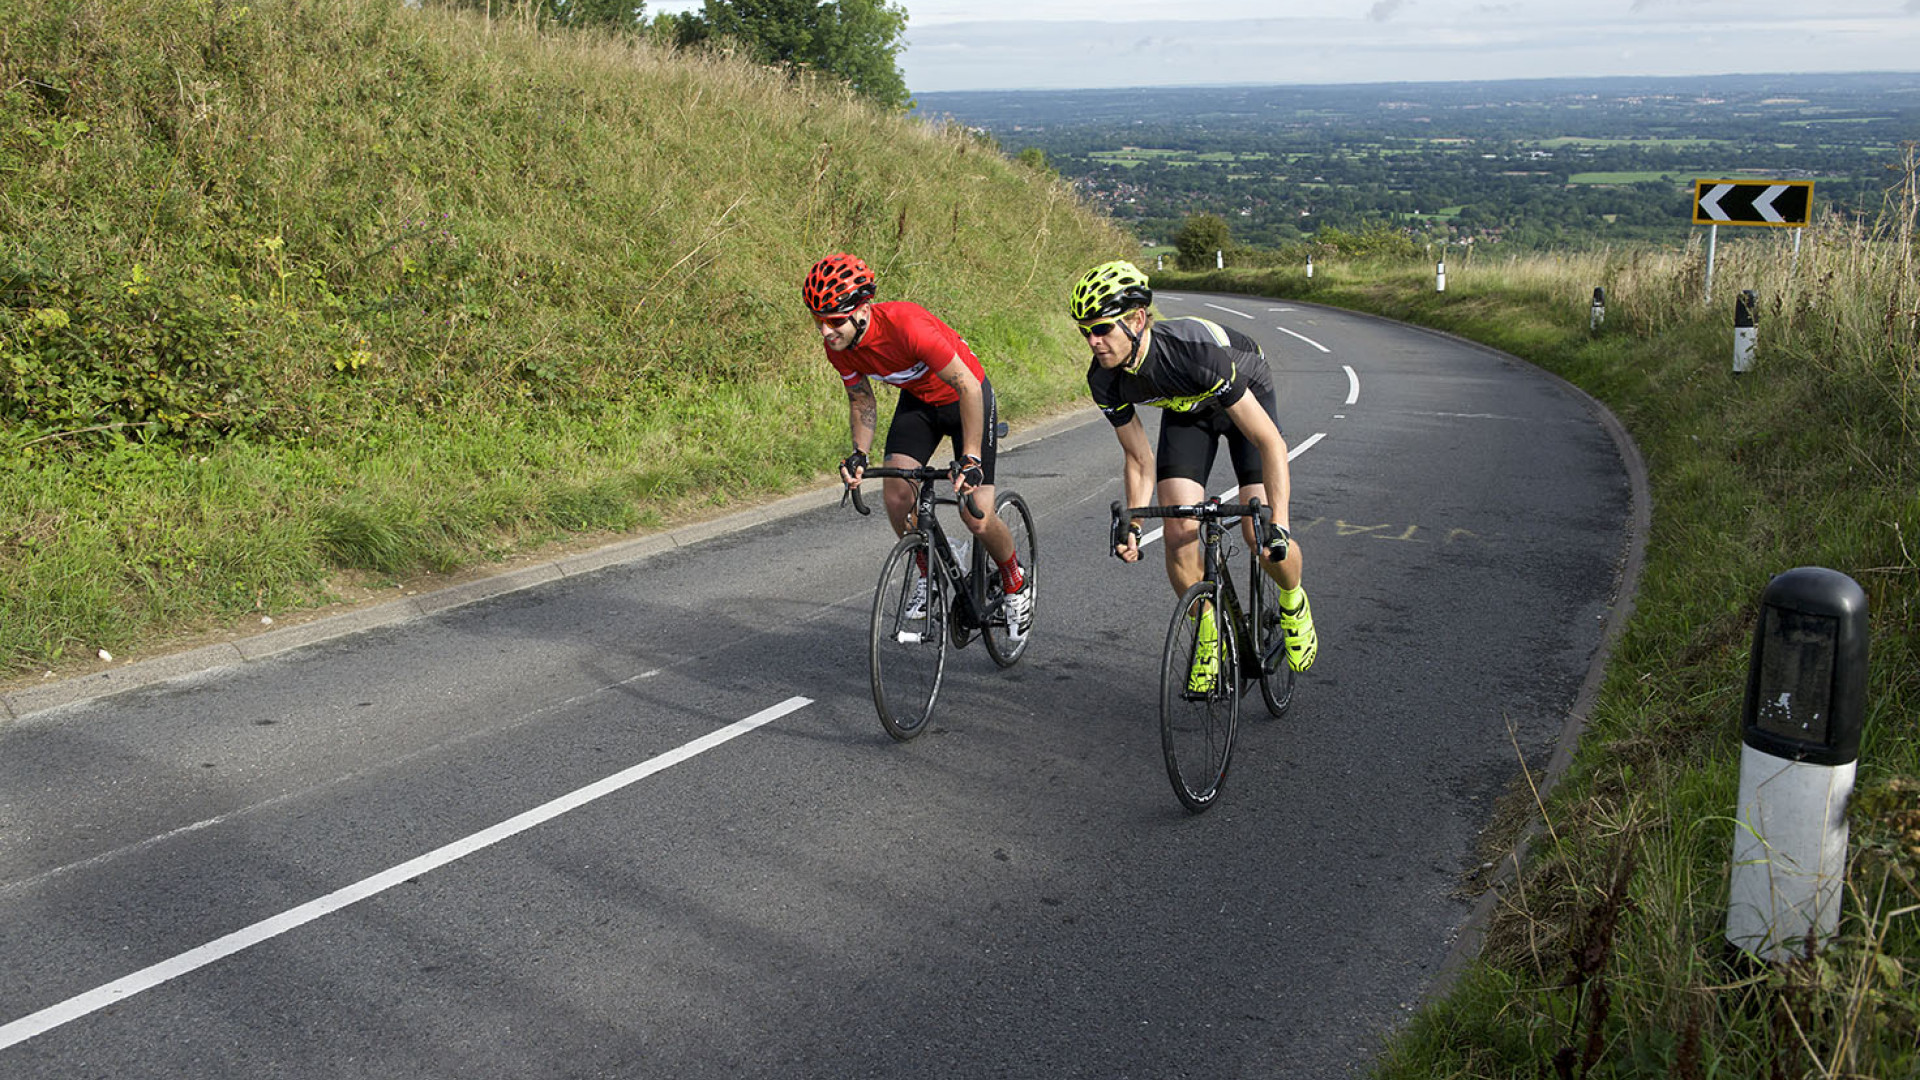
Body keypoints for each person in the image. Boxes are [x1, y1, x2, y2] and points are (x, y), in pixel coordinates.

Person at [1071, 259, 1316, 688]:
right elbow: (1138, 458)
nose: (1093, 341)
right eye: (1084, 331)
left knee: (1257, 536)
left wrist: (1279, 523)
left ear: (1137, 319)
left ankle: (1294, 601)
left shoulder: (1193, 355)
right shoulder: (1105, 380)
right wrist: (1134, 520)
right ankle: (1209, 633)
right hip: (1188, 411)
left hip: (1244, 400)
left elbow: (1271, 443)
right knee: (1178, 529)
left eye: (1102, 329)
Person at [805, 253, 1031, 637]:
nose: (826, 331)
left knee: (975, 514)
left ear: (862, 309)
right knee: (896, 495)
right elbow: (861, 400)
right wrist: (859, 453)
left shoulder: (908, 325)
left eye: (834, 320)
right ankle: (930, 575)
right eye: (818, 320)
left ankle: (1014, 580)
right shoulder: (839, 346)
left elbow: (967, 386)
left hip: (967, 401)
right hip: (920, 403)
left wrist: (971, 457)